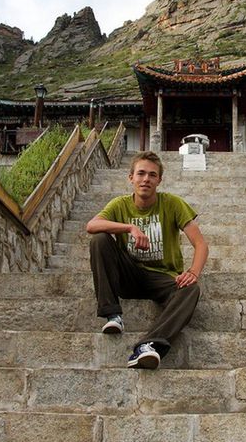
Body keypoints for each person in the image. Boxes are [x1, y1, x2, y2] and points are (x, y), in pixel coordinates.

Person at [85, 151, 208, 369]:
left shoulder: (172, 204)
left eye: (152, 175)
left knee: (191, 289)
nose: (146, 179)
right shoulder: (120, 205)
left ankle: (149, 345)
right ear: (131, 177)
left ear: (159, 180)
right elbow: (91, 226)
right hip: (129, 275)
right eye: (141, 173)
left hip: (163, 278)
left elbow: (201, 244)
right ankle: (112, 314)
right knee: (100, 240)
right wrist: (129, 228)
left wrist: (193, 272)